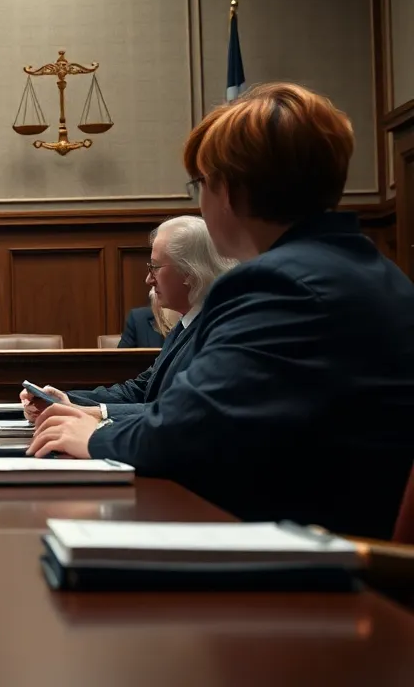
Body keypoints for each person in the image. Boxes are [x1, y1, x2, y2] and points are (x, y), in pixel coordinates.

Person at [28, 83, 414, 539]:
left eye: (201, 183)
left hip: (304, 563)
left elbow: (187, 433)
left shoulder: (279, 284)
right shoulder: (378, 272)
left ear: (226, 191)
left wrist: (93, 438)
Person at [21, 216, 235, 423]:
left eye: (154, 268)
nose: (148, 279)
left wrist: (92, 413)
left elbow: (182, 410)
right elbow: (141, 389)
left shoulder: (220, 331)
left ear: (190, 271)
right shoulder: (186, 325)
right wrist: (62, 400)